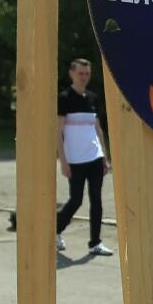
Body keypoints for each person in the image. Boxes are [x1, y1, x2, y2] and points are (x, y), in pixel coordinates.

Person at [56, 57, 112, 257]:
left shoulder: (93, 98)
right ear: (71, 74)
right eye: (80, 73)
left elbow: (98, 129)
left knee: (97, 200)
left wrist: (104, 157)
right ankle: (55, 230)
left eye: (87, 73)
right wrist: (63, 161)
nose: (84, 77)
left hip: (95, 158)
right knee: (76, 200)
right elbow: (58, 132)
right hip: (74, 160)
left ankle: (95, 243)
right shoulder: (64, 98)